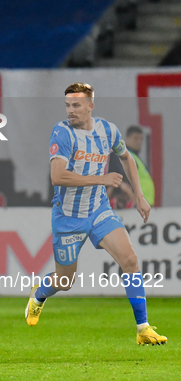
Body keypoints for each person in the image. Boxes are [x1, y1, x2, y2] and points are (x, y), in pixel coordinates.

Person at [25, 83, 167, 345]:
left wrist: (139, 195)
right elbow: (57, 177)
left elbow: (126, 157)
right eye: (67, 105)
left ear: (91, 105)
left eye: (76, 105)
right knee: (66, 281)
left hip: (99, 210)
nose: (71, 111)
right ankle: (40, 294)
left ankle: (143, 328)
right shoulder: (62, 133)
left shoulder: (108, 130)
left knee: (130, 260)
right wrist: (100, 179)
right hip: (68, 217)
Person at [108, 125, 155, 206]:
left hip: (144, 201)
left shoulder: (134, 156)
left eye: (141, 139)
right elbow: (120, 177)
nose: (139, 142)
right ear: (127, 138)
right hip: (135, 201)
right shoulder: (124, 156)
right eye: (136, 138)